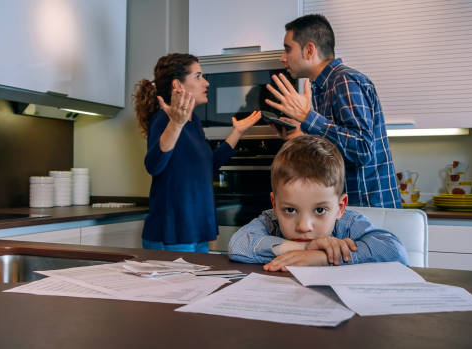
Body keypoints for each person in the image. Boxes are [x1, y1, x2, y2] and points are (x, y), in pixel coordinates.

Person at [265, 14, 401, 208]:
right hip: (351, 207)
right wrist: (302, 134)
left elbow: (362, 149)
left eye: (288, 49)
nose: (282, 57)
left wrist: (307, 118)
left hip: (370, 208)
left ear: (309, 49)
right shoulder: (322, 87)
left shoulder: (344, 81)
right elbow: (337, 148)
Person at [134, 53, 261, 253]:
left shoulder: (194, 123)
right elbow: (153, 164)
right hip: (173, 235)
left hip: (196, 233)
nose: (206, 83)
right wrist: (176, 123)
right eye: (198, 76)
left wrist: (237, 131)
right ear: (178, 85)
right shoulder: (164, 119)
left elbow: (208, 166)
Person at [228, 135, 408, 271]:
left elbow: (395, 251)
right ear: (275, 205)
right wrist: (304, 248)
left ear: (340, 207)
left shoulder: (349, 223)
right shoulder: (270, 220)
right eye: (290, 210)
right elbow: (238, 245)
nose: (304, 227)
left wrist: (323, 257)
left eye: (320, 210)